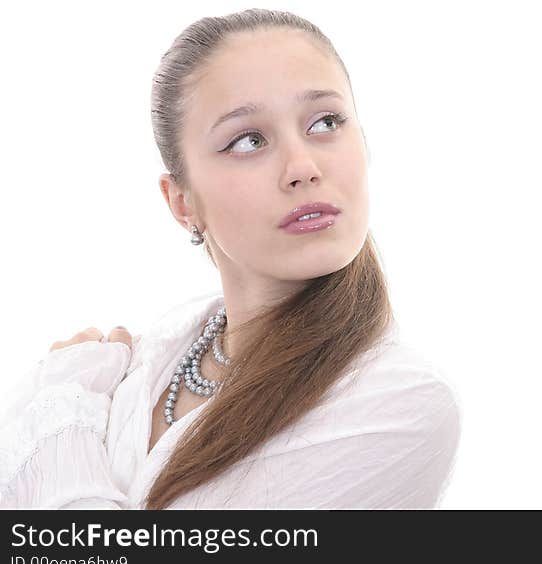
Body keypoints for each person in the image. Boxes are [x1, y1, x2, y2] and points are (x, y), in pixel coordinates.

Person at [0, 8, 462, 509]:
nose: (303, 168)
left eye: (326, 122)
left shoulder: (400, 403)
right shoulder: (142, 359)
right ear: (181, 201)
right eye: (248, 140)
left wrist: (60, 427)